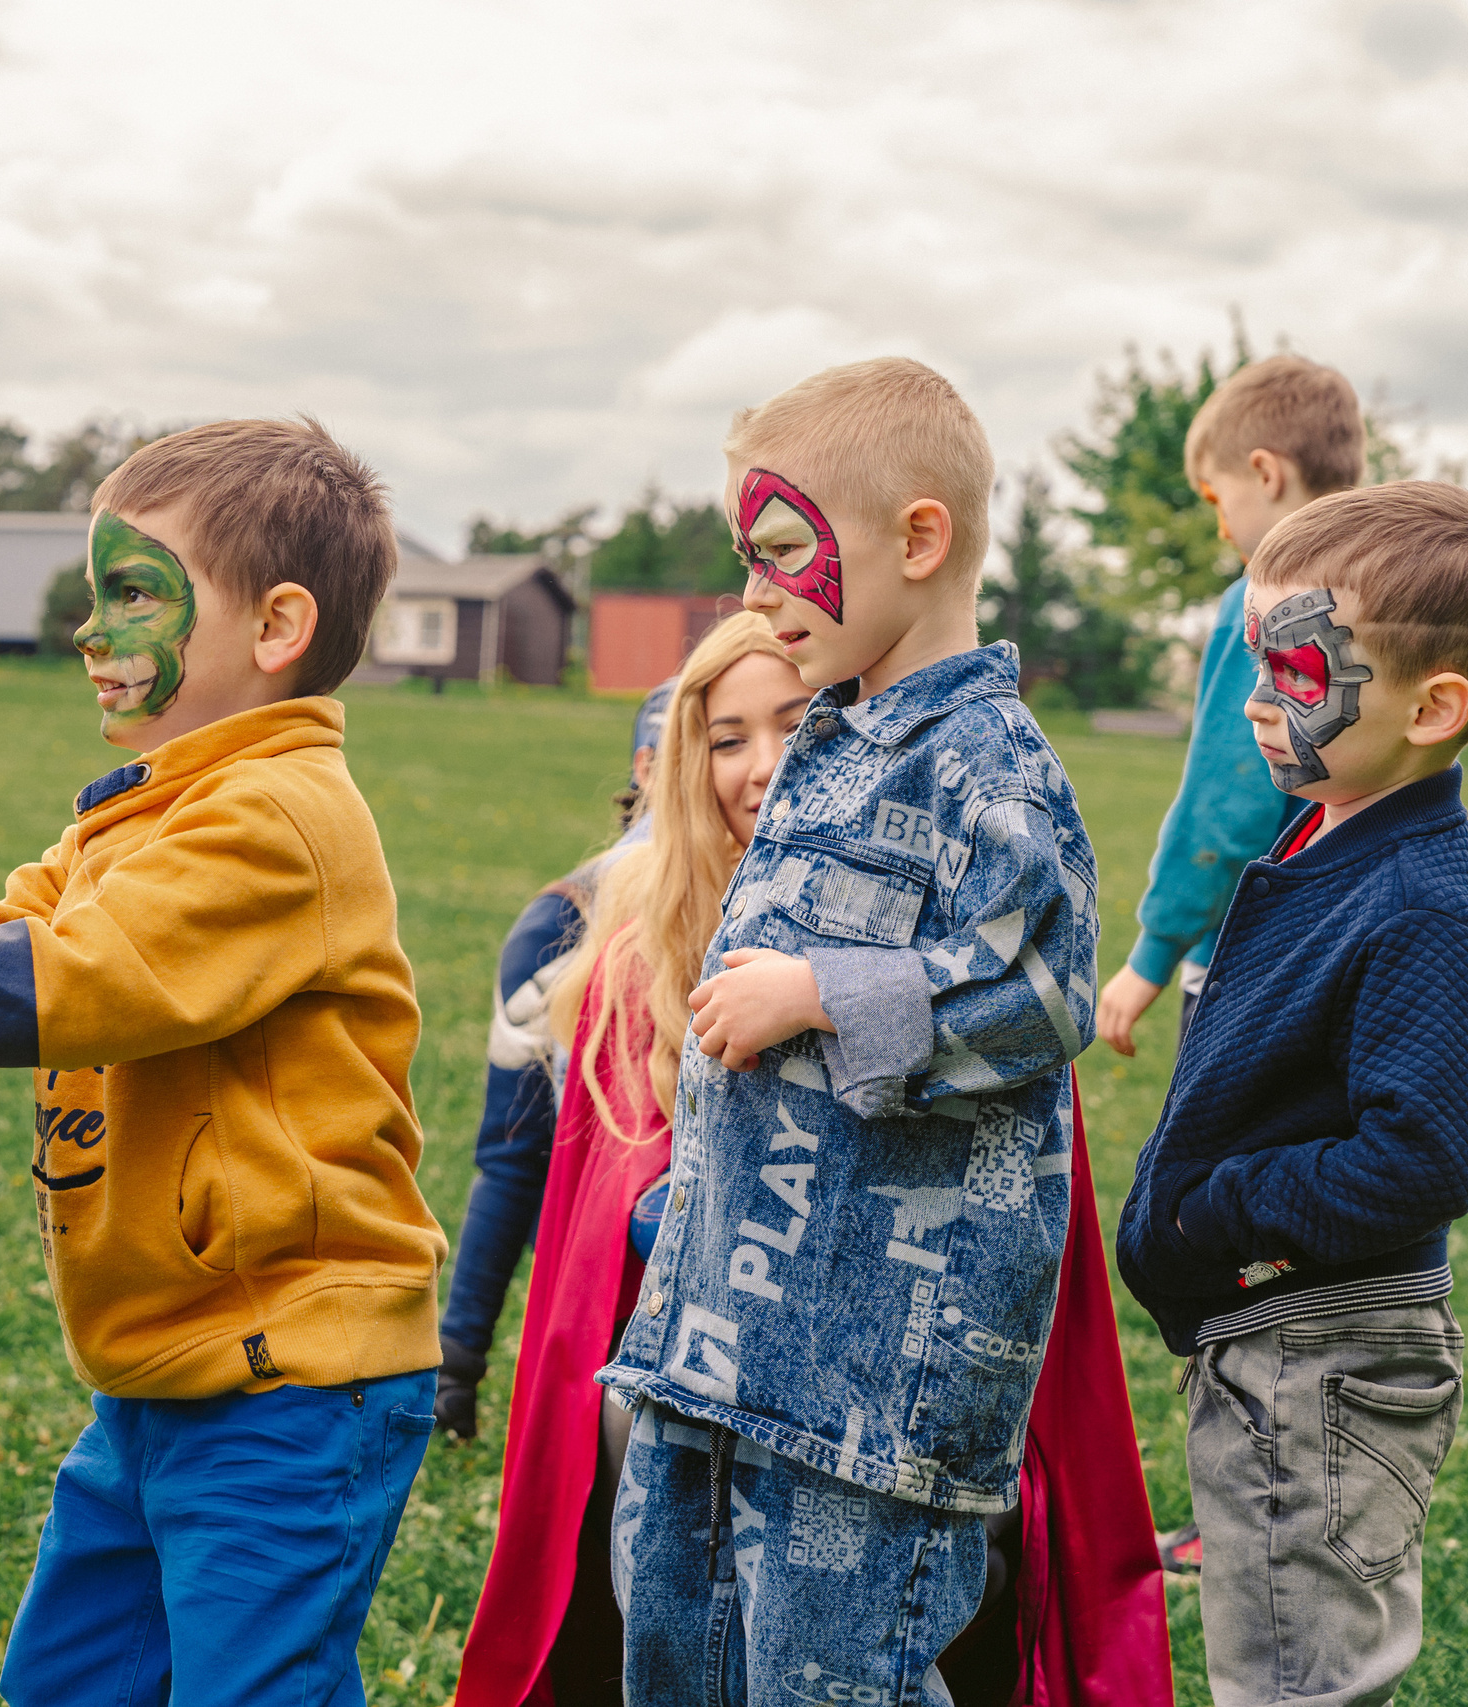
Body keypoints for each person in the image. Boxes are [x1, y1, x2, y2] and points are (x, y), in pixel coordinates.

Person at [0, 418, 446, 1707]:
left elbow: (71, 983)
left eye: (134, 593)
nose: (90, 634)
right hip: (155, 1372)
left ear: (276, 628)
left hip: (291, 1378)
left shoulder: (277, 818)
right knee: (67, 1684)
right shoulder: (141, 814)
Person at [596, 358, 1104, 1705]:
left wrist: (821, 990)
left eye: (781, 556)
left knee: (835, 1675)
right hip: (722, 1343)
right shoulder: (835, 741)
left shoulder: (988, 765)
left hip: (867, 1393)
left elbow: (1047, 987)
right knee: (678, 1652)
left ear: (919, 539)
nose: (755, 596)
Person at [1116, 482, 1468, 1707]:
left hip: (1328, 1355)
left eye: (1293, 671)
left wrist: (1214, 1212)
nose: (1254, 700)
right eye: (1254, 661)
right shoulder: (1325, 837)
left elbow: (1417, 1160)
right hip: (1282, 1344)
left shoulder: (1421, 905)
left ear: (1429, 706)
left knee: (1299, 1677)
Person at [455, 614, 811, 1706]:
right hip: (664, 1402)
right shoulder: (620, 945)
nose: (758, 770)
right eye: (726, 738)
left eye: (793, 728)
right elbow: (547, 1185)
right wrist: (457, 1350)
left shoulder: (929, 934)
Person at [1095, 355, 1366, 1058]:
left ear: (1266, 473)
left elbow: (1228, 801)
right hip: (1364, 950)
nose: (1219, 528)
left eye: (1217, 499)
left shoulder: (1257, 605)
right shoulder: (1396, 600)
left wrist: (1152, 954)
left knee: (1214, 1167)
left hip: (1248, 966)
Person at [437, 676, 678, 1442]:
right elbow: (512, 1163)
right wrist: (457, 1365)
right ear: (645, 767)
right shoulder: (573, 922)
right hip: (615, 1283)